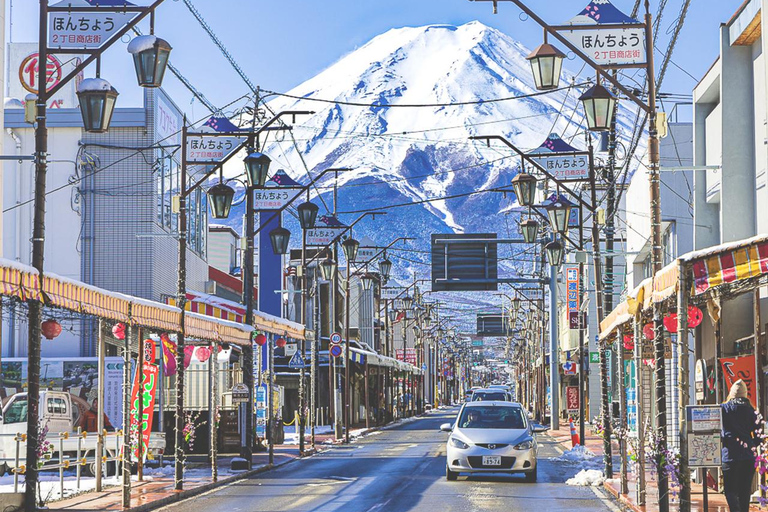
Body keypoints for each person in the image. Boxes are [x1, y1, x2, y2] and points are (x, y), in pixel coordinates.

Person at [721, 379, 761, 512]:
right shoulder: (751, 410)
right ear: (745, 395)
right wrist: (753, 445)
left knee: (730, 490)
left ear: (731, 394)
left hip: (730, 454)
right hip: (748, 455)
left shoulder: (724, 408)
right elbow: (759, 434)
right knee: (745, 491)